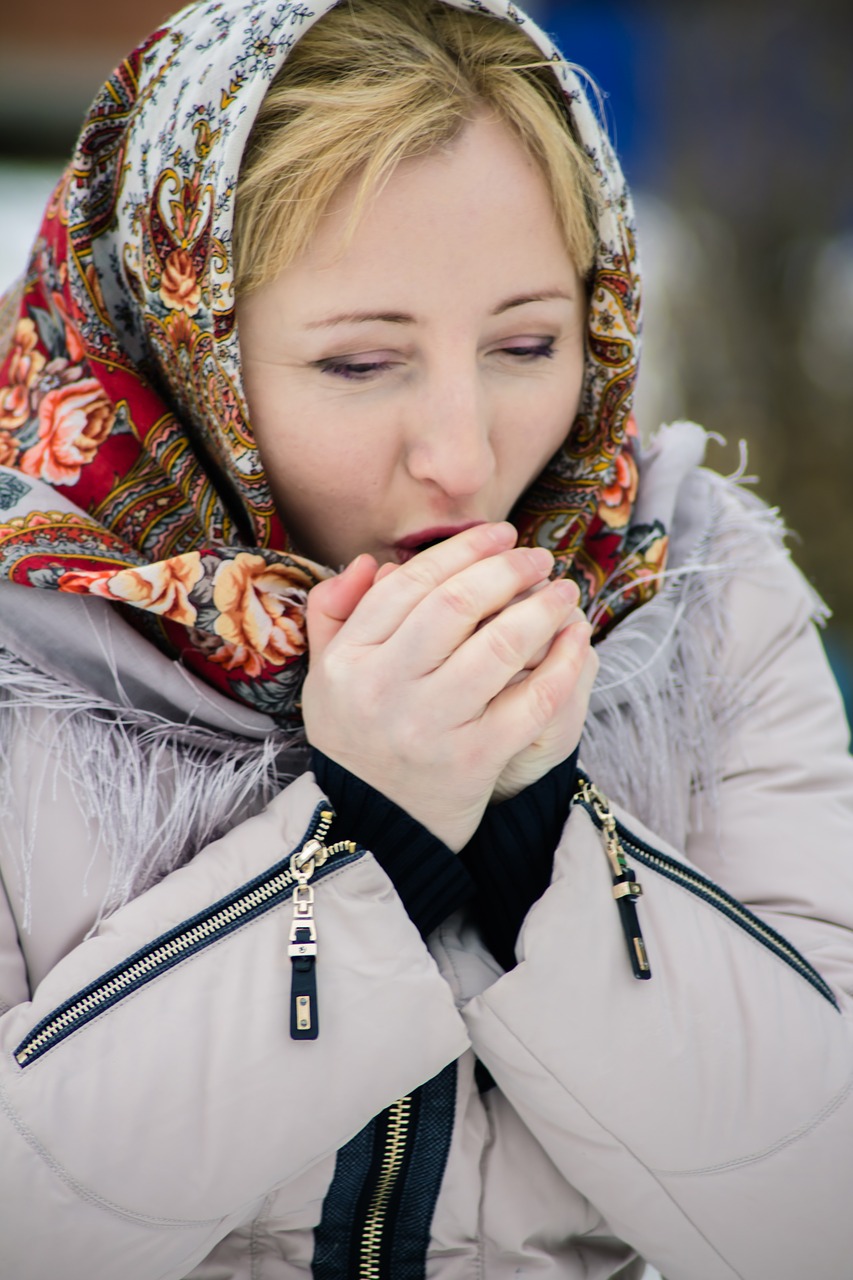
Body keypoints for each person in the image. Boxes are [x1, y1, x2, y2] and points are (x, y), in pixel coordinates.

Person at [0, 0, 851, 1276]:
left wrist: (539, 838)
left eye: (526, 343)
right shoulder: (24, 651)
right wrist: (369, 842)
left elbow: (817, 1209)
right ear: (177, 345)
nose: (462, 458)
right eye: (358, 363)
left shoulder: (695, 591)